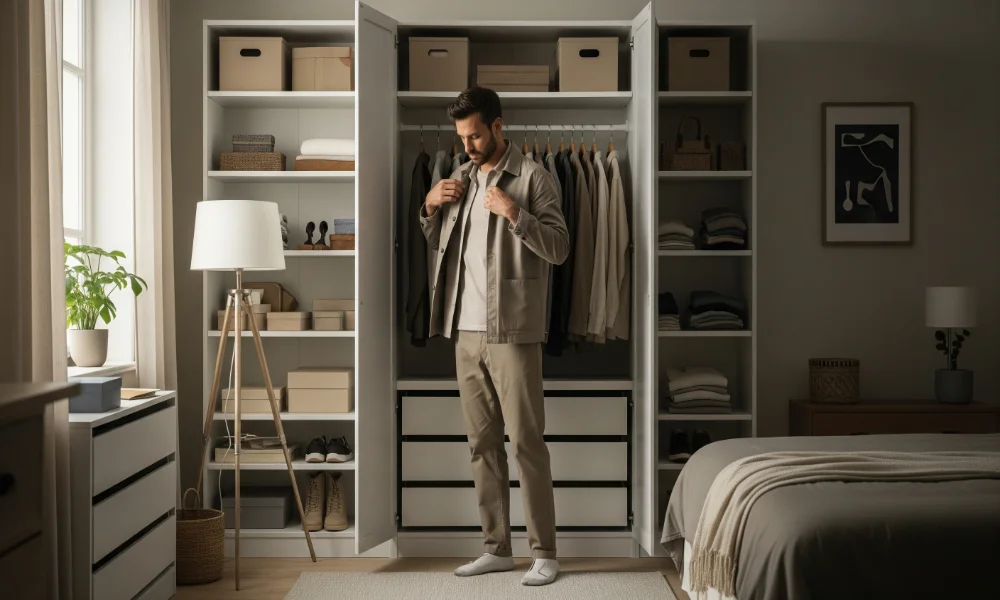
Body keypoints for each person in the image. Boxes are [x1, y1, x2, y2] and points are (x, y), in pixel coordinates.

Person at [419, 86, 570, 586]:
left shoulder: (533, 177)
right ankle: (496, 547)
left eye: (476, 135)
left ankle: (544, 552)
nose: (468, 145)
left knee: (526, 442)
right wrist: (429, 205)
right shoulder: (459, 177)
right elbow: (441, 247)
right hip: (464, 330)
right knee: (482, 444)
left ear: (499, 127)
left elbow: (560, 248)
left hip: (512, 331)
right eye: (462, 137)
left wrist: (514, 213)